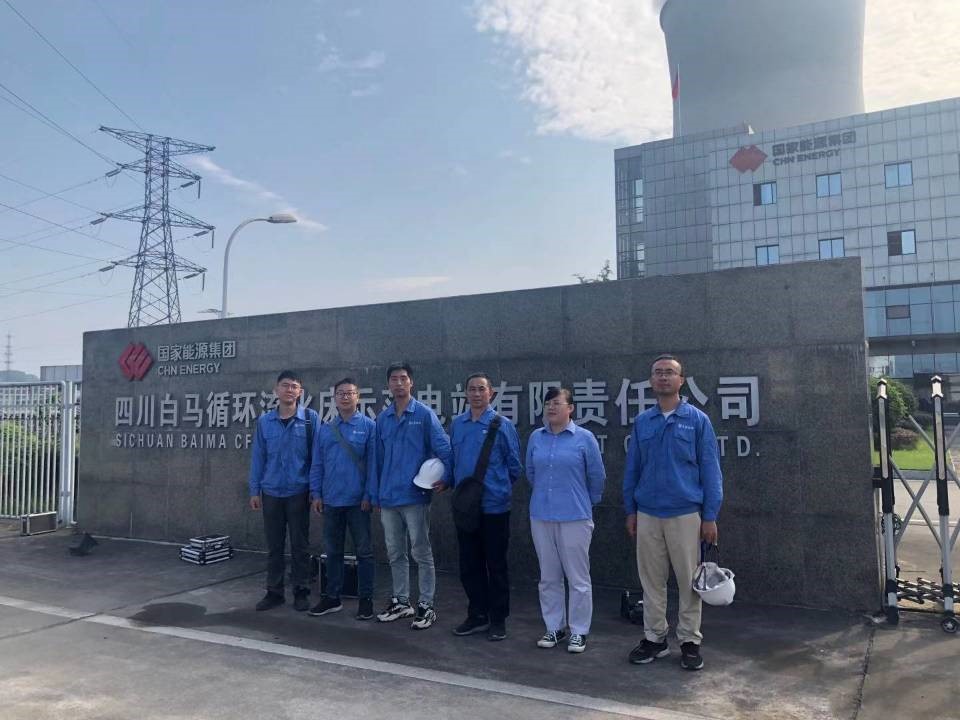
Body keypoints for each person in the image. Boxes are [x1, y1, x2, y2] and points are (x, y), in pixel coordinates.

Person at [623, 354, 723, 671]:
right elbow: (633, 469)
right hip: (648, 513)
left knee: (688, 582)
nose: (663, 377)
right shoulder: (643, 422)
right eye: (658, 373)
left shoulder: (697, 420)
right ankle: (655, 639)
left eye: (669, 372)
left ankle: (690, 641)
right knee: (652, 581)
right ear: (651, 381)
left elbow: (711, 470)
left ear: (681, 380)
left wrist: (710, 515)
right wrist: (631, 510)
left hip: (686, 514)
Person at [525, 387, 606, 654]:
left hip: (575, 516)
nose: (551, 407)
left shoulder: (584, 438)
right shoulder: (536, 437)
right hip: (541, 514)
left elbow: (597, 477)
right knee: (548, 576)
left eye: (557, 403)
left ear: (570, 408)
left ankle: (579, 630)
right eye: (548, 403)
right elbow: (531, 472)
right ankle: (554, 626)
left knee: (578, 578)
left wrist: (583, 501)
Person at [375, 362, 452, 630]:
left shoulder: (424, 414)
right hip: (388, 498)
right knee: (395, 552)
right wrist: (375, 493)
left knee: (421, 551)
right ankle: (401, 601)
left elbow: (444, 448)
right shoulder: (383, 419)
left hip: (415, 497)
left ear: (411, 383)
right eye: (394, 379)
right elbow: (377, 460)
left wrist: (447, 477)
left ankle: (426, 605)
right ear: (388, 384)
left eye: (403, 378)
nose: (398, 383)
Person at [447, 372, 522, 641]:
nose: (476, 394)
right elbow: (453, 461)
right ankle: (477, 614)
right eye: (472, 389)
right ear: (465, 393)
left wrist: (497, 488)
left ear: (491, 393)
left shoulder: (502, 425)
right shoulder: (458, 425)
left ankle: (498, 618)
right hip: (466, 507)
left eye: (481, 389)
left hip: (494, 507)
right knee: (469, 564)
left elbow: (514, 467)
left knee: (496, 565)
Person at [248, 370, 319, 612]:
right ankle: (274, 592)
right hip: (271, 492)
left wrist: (315, 490)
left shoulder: (310, 419)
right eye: (285, 385)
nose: (289, 390)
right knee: (274, 546)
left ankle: (301, 591)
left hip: (299, 491)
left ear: (300, 392)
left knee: (300, 545)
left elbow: (317, 458)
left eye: (294, 386)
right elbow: (258, 457)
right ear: (276, 390)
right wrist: (254, 490)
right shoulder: (265, 422)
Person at [308, 377, 378, 621]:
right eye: (341, 393)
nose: (345, 397)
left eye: (350, 393)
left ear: (358, 397)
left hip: (358, 502)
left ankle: (366, 600)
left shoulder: (369, 427)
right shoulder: (326, 429)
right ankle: (332, 597)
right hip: (331, 500)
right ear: (334, 398)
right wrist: (316, 494)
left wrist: (369, 495)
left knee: (364, 552)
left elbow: (373, 465)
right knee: (332, 552)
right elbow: (317, 464)